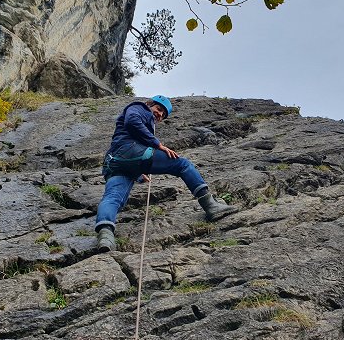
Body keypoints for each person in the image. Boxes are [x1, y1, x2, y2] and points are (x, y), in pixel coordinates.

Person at [95, 95, 238, 252]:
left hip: (114, 162)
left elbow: (128, 145)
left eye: (163, 114)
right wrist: (157, 144)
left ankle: (105, 236)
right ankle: (211, 206)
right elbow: (132, 121)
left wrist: (137, 173)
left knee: (113, 198)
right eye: (159, 109)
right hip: (130, 151)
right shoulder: (139, 108)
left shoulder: (143, 118)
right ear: (151, 104)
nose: (160, 114)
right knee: (182, 164)